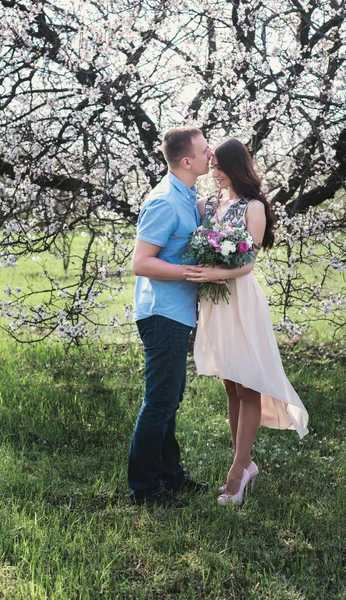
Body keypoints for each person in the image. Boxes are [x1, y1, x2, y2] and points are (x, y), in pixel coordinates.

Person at [183, 138, 309, 507]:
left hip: (239, 299)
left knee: (249, 383)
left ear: (236, 166)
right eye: (213, 165)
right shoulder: (205, 205)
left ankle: (237, 472)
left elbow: (249, 262)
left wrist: (213, 273)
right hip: (214, 304)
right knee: (231, 386)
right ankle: (245, 462)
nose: (215, 172)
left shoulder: (253, 207)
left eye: (220, 166)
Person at [129, 125, 217, 505]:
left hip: (177, 313)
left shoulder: (187, 196)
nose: (210, 154)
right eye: (204, 150)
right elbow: (141, 262)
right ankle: (144, 489)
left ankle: (170, 475)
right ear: (186, 161)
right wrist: (190, 272)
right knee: (161, 400)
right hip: (163, 313)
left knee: (169, 397)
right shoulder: (166, 200)